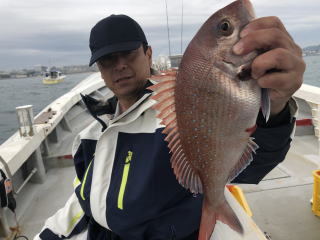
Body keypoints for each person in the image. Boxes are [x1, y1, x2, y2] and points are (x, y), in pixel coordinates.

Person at [34, 13, 305, 240]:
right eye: (108, 60)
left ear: (148, 53)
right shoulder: (90, 134)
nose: (120, 66)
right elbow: (86, 198)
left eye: (128, 54)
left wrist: (277, 108)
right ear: (99, 70)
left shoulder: (175, 112)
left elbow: (255, 164)